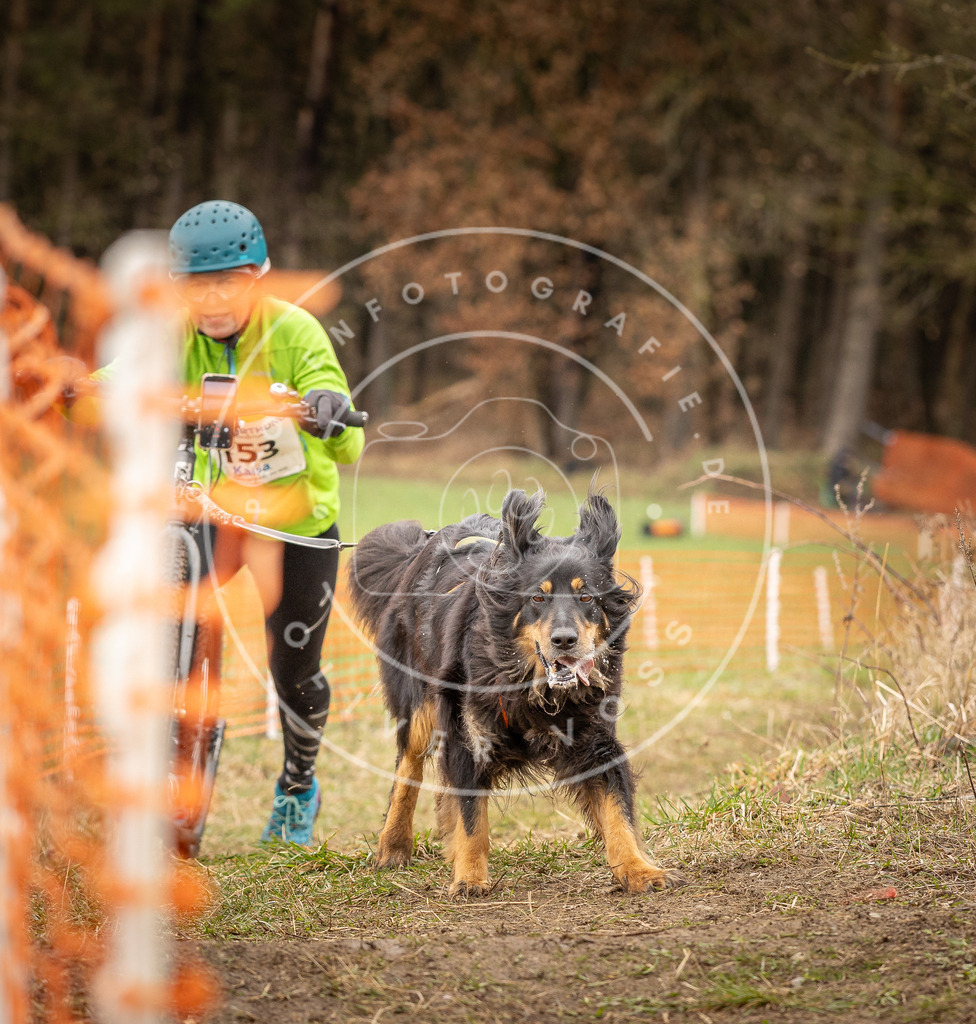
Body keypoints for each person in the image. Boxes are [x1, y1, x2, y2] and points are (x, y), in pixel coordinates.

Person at [164, 199, 364, 844]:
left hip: (297, 523)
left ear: (261, 276)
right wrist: (79, 386)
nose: (212, 299)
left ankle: (298, 786)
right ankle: (173, 758)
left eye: (229, 281)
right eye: (196, 284)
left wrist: (326, 408)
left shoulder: (297, 332)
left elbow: (346, 437)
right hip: (213, 513)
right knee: (171, 619)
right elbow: (119, 378)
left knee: (293, 664)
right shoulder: (172, 336)